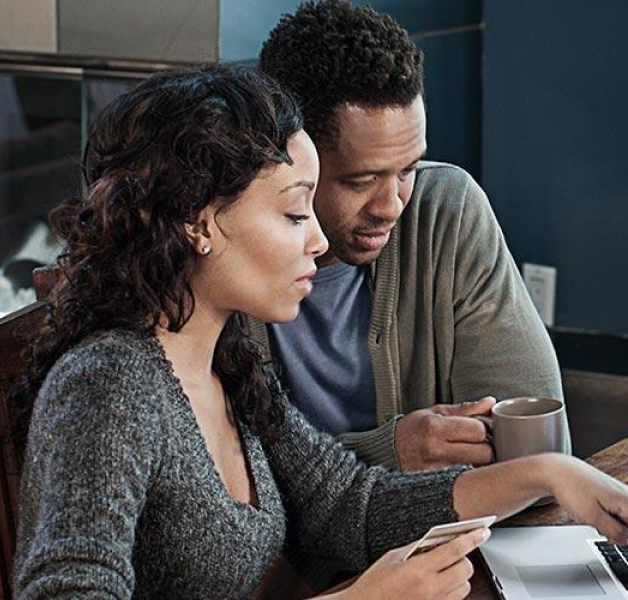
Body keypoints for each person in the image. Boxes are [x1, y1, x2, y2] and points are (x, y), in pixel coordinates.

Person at [12, 66, 628, 600]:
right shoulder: (107, 387)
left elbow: (351, 505)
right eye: (293, 212)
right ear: (198, 223)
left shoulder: (224, 361)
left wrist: (551, 474)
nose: (316, 239)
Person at [254, 0, 566, 474]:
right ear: (289, 155)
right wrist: (388, 451)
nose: (391, 206)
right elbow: (217, 498)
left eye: (408, 169)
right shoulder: (219, 248)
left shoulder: (446, 211)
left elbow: (532, 441)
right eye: (361, 181)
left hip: (447, 539)